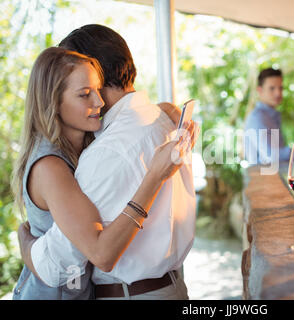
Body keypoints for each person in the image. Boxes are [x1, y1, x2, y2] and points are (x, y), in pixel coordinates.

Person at [16, 25, 198, 300]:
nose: (97, 101)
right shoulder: (161, 121)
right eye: (84, 92)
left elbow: (60, 263)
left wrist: (26, 246)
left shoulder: (108, 150)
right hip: (171, 287)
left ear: (96, 72)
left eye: (93, 88)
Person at [244, 67, 291, 165]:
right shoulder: (258, 117)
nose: (278, 93)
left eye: (280, 88)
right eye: (272, 88)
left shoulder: (272, 115)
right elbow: (269, 156)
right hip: (262, 178)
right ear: (260, 90)